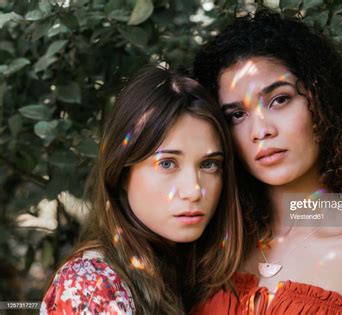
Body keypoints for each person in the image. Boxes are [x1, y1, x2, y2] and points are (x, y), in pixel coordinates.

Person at [192, 9, 342, 315]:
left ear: (322, 103)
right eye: (237, 115)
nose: (261, 130)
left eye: (279, 99)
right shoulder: (211, 246)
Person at [41, 65, 243, 314]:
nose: (193, 191)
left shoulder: (189, 274)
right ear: (123, 173)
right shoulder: (94, 284)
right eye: (167, 163)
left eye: (209, 164)